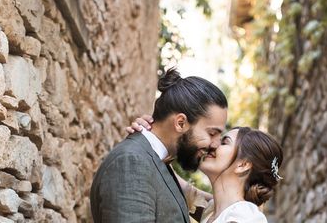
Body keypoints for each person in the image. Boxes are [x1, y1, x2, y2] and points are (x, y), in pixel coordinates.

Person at [90, 68, 228, 223]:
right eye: (211, 133)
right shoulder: (131, 162)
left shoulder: (157, 162)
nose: (216, 144)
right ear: (180, 123)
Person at [128, 122, 284, 223]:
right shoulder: (211, 211)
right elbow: (176, 183)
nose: (213, 144)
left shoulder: (245, 217)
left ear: (242, 165)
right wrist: (148, 136)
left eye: (224, 142)